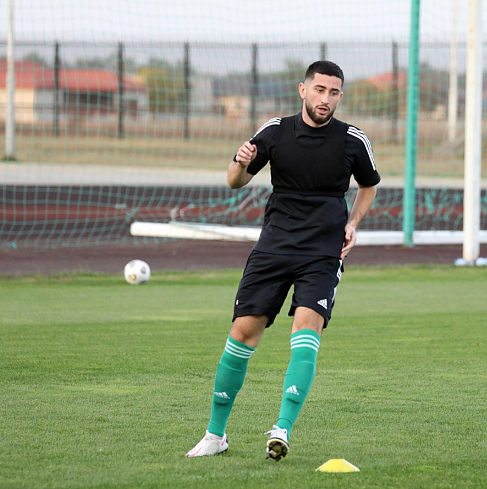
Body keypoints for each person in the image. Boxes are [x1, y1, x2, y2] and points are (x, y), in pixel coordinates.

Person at [186, 60, 380, 461]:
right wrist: (240, 162)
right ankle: (215, 436)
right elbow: (235, 181)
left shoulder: (353, 140)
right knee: (243, 332)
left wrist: (353, 223)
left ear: (340, 96)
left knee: (306, 329)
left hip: (323, 252)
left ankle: (282, 428)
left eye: (334, 92)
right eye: (320, 90)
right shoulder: (275, 131)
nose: (326, 99)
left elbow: (369, 185)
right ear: (303, 90)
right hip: (274, 247)